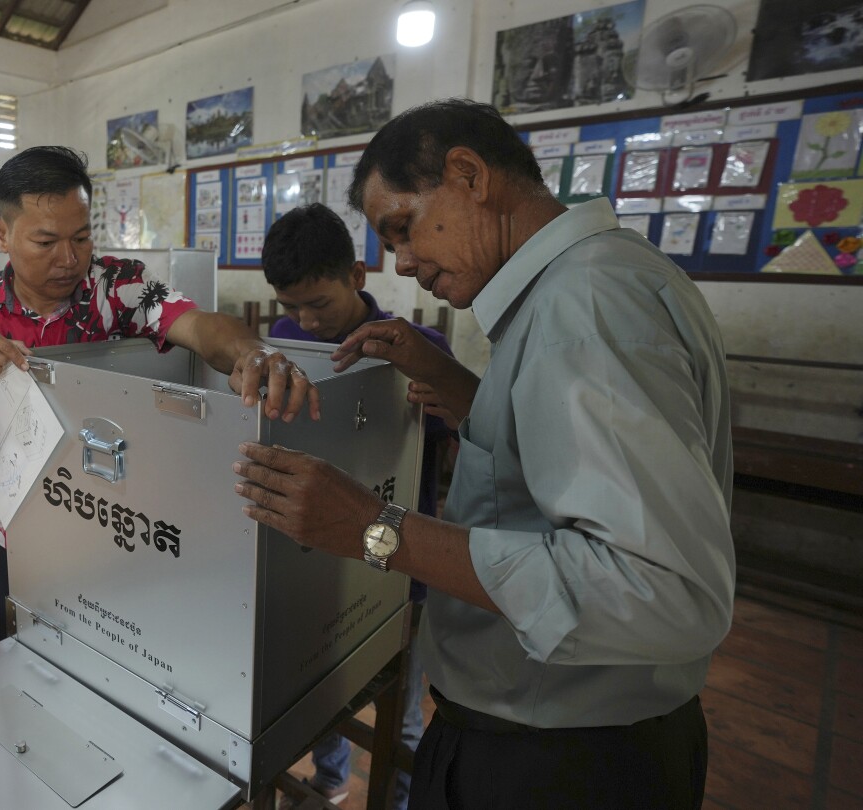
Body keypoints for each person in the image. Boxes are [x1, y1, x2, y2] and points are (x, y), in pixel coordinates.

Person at [234, 99, 733, 810]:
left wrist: (376, 529)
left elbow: (660, 590)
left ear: (468, 175)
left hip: (562, 758)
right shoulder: (588, 285)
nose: (404, 262)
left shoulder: (582, 309)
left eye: (403, 228)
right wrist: (460, 390)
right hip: (549, 728)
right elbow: (555, 469)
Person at [0, 145, 320, 646]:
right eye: (46, 241)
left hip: (114, 529)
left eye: (81, 237)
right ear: (1, 234)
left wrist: (253, 351)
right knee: (15, 672)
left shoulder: (118, 287)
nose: (70, 258)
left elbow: (200, 326)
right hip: (17, 536)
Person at [262, 203, 451, 810]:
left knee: (402, 704)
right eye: (291, 306)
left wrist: (439, 400)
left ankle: (397, 798)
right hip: (317, 556)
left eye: (319, 304)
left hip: (400, 559)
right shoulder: (281, 342)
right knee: (322, 686)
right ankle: (331, 777)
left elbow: (449, 449)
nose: (305, 320)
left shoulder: (419, 349)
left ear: (357, 276)